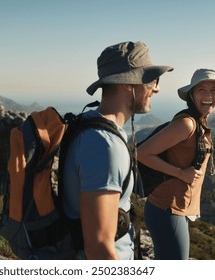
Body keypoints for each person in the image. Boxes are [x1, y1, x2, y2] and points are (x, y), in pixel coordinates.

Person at [62, 41, 173, 259]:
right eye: (151, 80)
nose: (156, 88)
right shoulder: (104, 145)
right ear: (128, 83)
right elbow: (99, 247)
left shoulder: (93, 123)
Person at [137, 68, 215, 260]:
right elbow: (141, 153)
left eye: (214, 90)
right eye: (201, 90)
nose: (208, 95)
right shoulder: (187, 125)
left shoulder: (199, 123)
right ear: (191, 95)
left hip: (173, 211)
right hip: (167, 210)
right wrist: (180, 173)